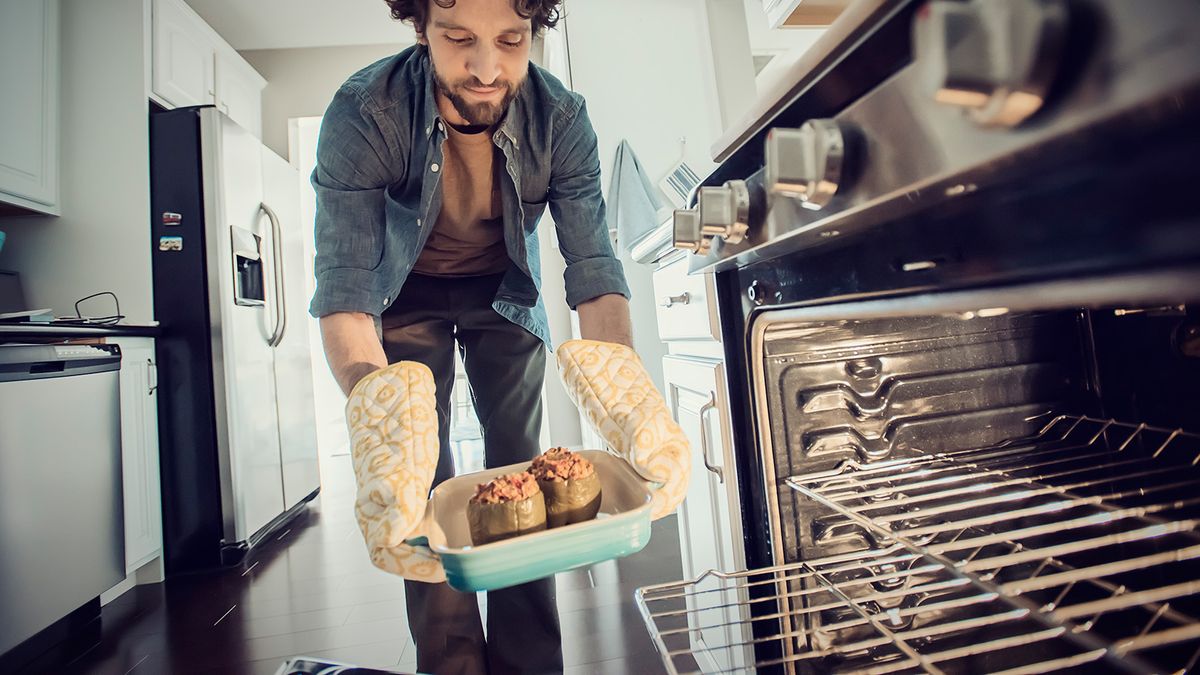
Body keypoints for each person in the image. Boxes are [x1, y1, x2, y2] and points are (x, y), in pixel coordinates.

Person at [308, 0, 635, 672]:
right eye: (459, 39)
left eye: (511, 41)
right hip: (401, 295)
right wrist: (381, 426)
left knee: (523, 466)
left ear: (532, 34)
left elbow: (594, 270)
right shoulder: (364, 111)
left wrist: (629, 408)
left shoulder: (562, 119)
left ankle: (530, 662)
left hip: (506, 294)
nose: (487, 68)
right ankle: (451, 660)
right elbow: (344, 290)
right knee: (420, 476)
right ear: (420, 28)